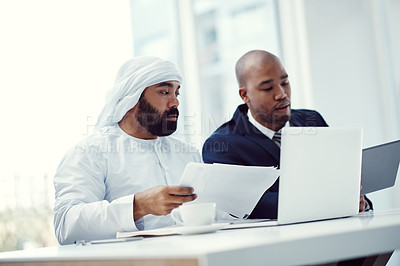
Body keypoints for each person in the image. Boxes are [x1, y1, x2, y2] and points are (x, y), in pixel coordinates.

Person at [202, 50, 372, 219]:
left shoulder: (312, 120)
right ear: (244, 95)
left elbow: (342, 178)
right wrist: (330, 200)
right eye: (268, 88)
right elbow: (250, 203)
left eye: (285, 83)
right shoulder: (222, 145)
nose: (281, 94)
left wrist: (358, 201)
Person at [54, 56, 201, 245]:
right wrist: (138, 206)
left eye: (177, 93)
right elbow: (66, 226)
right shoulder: (90, 152)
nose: (175, 103)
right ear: (133, 98)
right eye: (164, 92)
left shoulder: (188, 153)